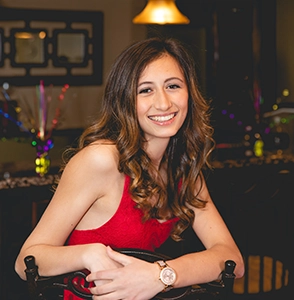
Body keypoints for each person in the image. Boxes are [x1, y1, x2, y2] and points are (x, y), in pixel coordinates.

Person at [15, 37, 244, 300]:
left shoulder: (183, 168)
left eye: (173, 86)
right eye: (145, 90)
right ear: (125, 100)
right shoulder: (100, 161)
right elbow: (25, 262)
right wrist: (89, 253)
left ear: (189, 93)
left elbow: (232, 260)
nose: (163, 103)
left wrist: (162, 274)